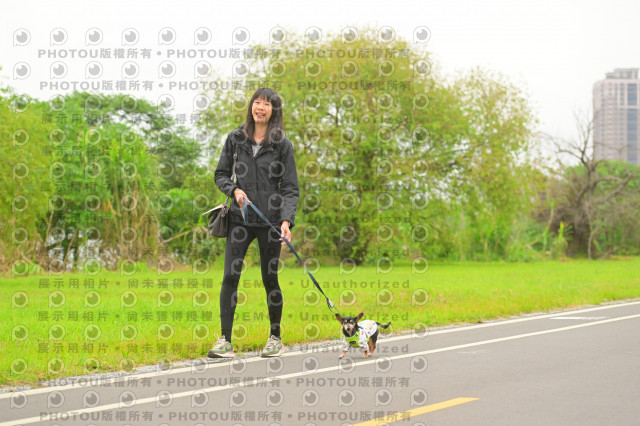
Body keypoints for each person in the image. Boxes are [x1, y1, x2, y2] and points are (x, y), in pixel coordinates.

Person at [208, 87, 299, 358]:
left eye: (267, 104)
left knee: (270, 278)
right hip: (240, 219)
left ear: (274, 110)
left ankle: (275, 338)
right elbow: (221, 174)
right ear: (251, 106)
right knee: (230, 276)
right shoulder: (236, 138)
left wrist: (286, 221)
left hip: (271, 222)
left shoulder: (282, 144)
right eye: (257, 102)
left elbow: (290, 188)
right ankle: (225, 341)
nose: (261, 107)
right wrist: (234, 190)